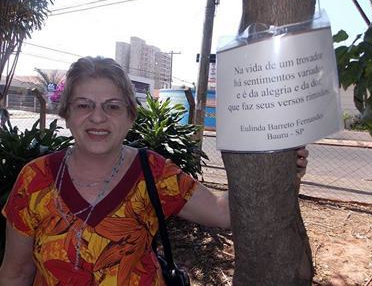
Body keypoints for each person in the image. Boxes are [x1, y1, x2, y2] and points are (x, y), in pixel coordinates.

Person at [0, 56, 309, 285]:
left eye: (112, 106)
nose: (98, 118)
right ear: (66, 114)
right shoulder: (35, 179)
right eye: (83, 105)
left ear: (130, 117)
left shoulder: (153, 172)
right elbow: (17, 271)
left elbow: (223, 211)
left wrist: (283, 173)